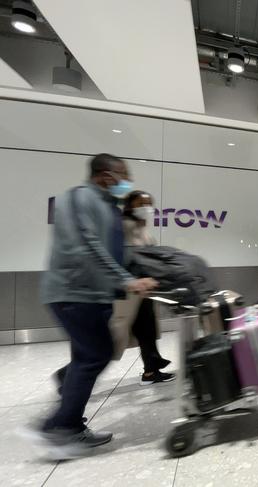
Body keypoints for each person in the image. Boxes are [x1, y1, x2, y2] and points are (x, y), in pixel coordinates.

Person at [28, 153, 157, 461]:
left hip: (93, 294)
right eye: (123, 175)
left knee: (89, 355)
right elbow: (87, 246)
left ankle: (62, 421)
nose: (127, 181)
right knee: (96, 354)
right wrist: (126, 280)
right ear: (105, 175)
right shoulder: (78, 198)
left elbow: (114, 251)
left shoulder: (106, 205)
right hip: (73, 292)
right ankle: (62, 426)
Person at [112, 190, 174, 385]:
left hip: (142, 289)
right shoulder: (123, 226)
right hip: (129, 290)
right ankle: (69, 375)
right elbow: (127, 258)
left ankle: (151, 370)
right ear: (130, 206)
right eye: (142, 204)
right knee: (109, 340)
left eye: (149, 204)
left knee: (147, 329)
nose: (147, 208)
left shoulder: (140, 227)